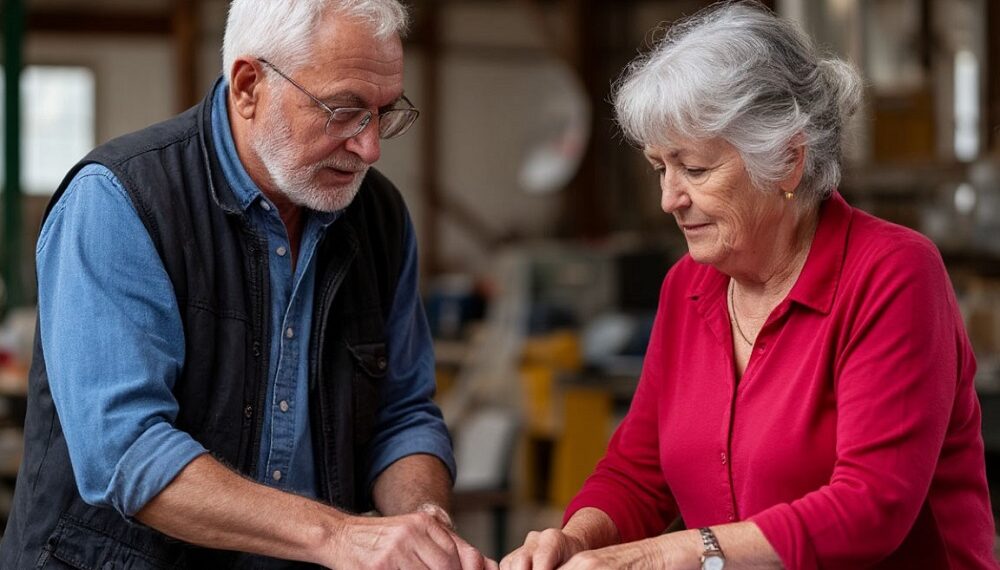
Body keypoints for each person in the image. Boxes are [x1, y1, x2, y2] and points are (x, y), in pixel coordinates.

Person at [501, 2, 997, 569]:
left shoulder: (893, 273)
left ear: (786, 160)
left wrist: (669, 556)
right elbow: (638, 473)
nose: (669, 199)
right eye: (660, 168)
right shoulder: (687, 287)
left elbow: (870, 507)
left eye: (695, 169)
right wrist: (577, 538)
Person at [1, 1, 495, 569]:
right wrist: (337, 536)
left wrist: (424, 524)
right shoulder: (121, 202)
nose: (370, 148)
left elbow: (402, 414)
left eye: (384, 113)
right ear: (248, 86)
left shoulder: (378, 216)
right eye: (343, 111)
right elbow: (128, 451)